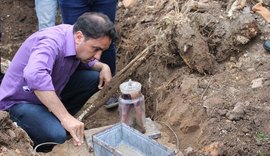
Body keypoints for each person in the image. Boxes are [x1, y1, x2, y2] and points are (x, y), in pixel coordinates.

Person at [0, 12, 116, 152]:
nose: (98, 56)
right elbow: (34, 75)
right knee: (57, 136)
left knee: (94, 78)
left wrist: (103, 66)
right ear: (79, 37)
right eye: (96, 49)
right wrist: (65, 118)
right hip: (18, 102)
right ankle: (45, 136)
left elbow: (86, 62)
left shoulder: (73, 37)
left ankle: (54, 117)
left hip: (47, 94)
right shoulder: (50, 42)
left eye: (102, 51)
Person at [58, 0, 119, 108]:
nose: (98, 56)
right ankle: (66, 90)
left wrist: (103, 66)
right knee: (74, 42)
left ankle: (107, 89)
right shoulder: (50, 45)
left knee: (104, 40)